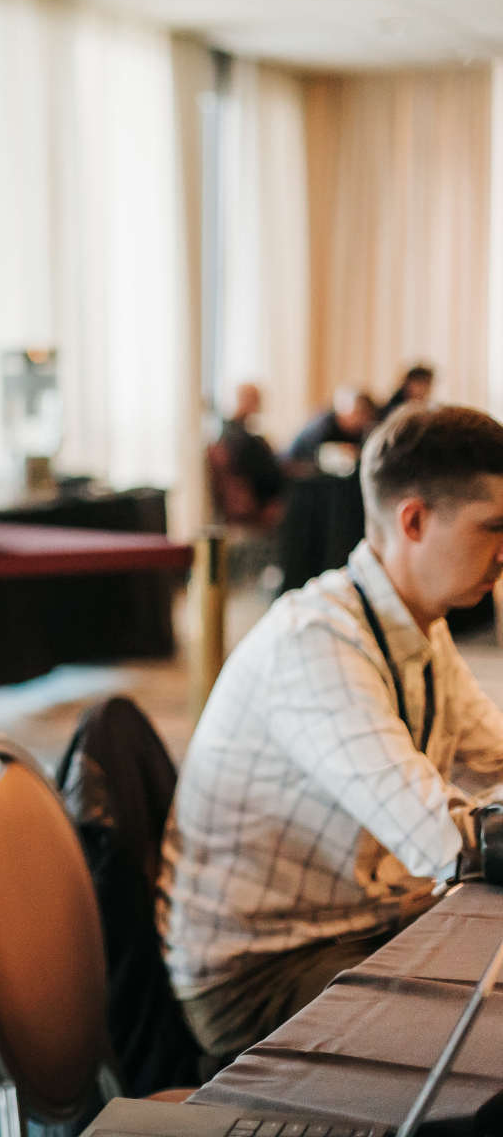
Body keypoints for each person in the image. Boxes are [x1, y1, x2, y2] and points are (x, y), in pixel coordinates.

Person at [159, 404, 503, 1062]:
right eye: (494, 527)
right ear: (414, 521)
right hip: (259, 976)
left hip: (359, 924)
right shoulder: (316, 642)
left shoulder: (414, 626)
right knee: (491, 1041)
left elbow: (494, 764)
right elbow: (445, 842)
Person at [207, 383, 286, 526]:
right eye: (257, 400)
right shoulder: (240, 438)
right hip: (254, 502)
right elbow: (264, 472)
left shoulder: (230, 433)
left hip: (255, 497)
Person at [286, 385, 377, 469]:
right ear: (350, 412)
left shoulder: (358, 430)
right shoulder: (323, 426)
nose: (363, 422)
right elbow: (312, 457)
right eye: (361, 416)